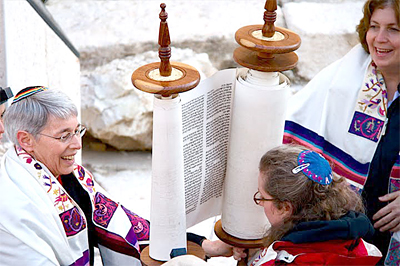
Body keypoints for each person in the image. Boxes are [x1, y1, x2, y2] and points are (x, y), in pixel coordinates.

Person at [0, 86, 234, 265]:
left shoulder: (70, 174)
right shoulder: (12, 201)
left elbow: (123, 221)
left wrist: (204, 244)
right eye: (64, 136)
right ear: (26, 140)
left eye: (77, 131)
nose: (77, 145)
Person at [283, 0, 399, 263]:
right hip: (343, 233)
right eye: (374, 26)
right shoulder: (342, 79)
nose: (380, 39)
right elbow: (286, 135)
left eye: (394, 29)